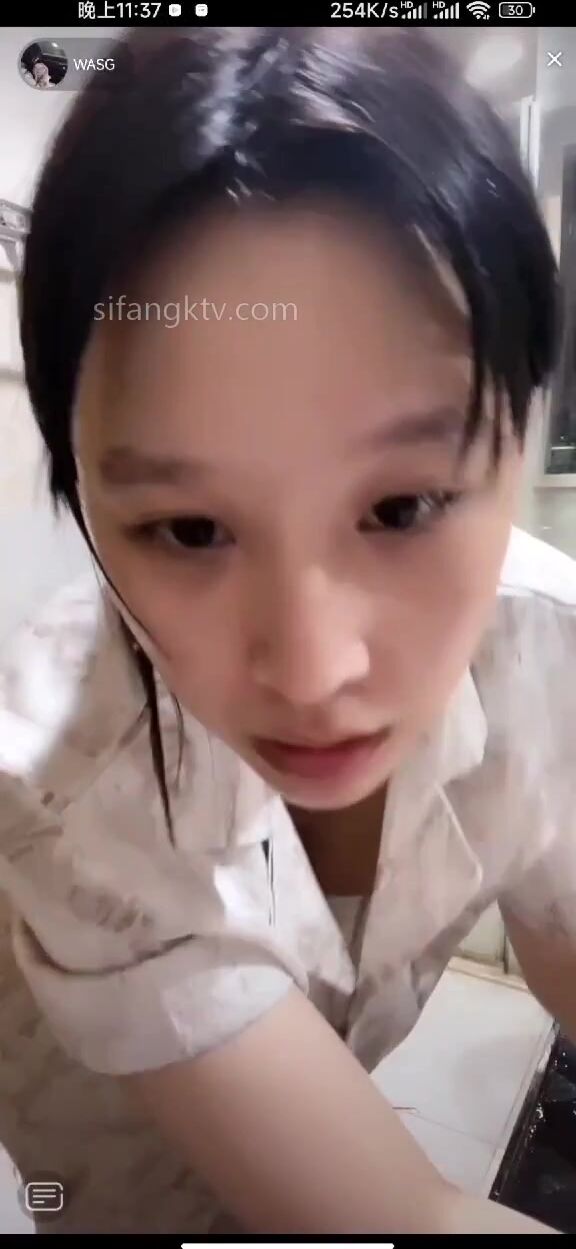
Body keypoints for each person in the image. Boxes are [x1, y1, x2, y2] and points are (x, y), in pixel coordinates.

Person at [1, 25, 572, 1234]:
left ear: (522, 439)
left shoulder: (547, 646)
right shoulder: (57, 780)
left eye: (402, 507)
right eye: (189, 529)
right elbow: (411, 1216)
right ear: (81, 491)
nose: (314, 671)